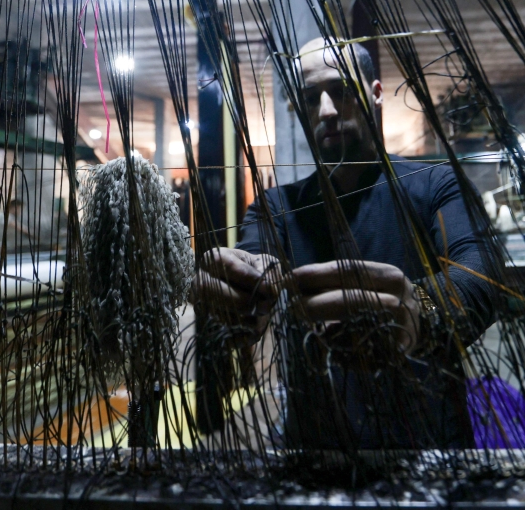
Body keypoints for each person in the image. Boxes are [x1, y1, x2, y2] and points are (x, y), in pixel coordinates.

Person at [192, 37, 498, 448]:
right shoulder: (277, 206)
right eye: (310, 98)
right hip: (317, 444)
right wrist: (242, 286)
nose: (327, 111)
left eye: (340, 91)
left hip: (427, 442)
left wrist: (420, 309)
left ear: (374, 94)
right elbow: (254, 255)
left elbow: (482, 271)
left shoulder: (435, 184)